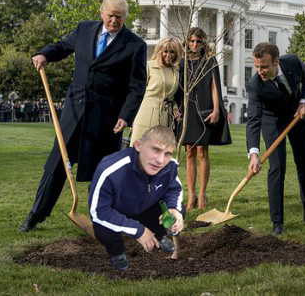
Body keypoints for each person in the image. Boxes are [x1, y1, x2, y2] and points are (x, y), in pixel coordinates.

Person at [19, 0, 147, 233]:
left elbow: (137, 86)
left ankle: (101, 218)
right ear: (102, 13)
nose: (114, 20)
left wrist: (126, 115)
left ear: (125, 17)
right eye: (110, 15)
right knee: (57, 164)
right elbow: (62, 46)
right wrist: (44, 54)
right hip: (74, 111)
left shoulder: (135, 45)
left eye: (120, 16)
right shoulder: (84, 29)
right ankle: (36, 214)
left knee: (102, 170)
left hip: (106, 119)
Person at [246, 42, 305, 235]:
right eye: (257, 66)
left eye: (264, 66)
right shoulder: (255, 85)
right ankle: (277, 222)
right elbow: (254, 120)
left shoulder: (293, 62)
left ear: (276, 61)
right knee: (277, 168)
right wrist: (254, 153)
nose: (260, 71)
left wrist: (304, 102)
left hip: (298, 116)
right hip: (272, 121)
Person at [89, 126, 185, 271]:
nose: (160, 160)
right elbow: (99, 212)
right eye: (155, 150)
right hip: (117, 212)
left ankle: (157, 235)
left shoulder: (170, 166)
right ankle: (117, 252)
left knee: (179, 210)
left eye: (167, 153)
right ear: (138, 146)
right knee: (103, 231)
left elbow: (174, 189)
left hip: (145, 208)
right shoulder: (110, 169)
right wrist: (138, 230)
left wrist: (174, 210)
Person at [175, 27, 231, 210]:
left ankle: (202, 194)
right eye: (191, 41)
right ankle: (191, 195)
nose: (194, 44)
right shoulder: (182, 62)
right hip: (187, 109)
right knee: (189, 151)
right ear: (187, 42)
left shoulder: (209, 61)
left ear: (203, 43)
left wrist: (216, 110)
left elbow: (215, 87)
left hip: (205, 108)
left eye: (198, 41)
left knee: (202, 152)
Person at [129, 37, 182, 145]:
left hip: (165, 117)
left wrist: (175, 107)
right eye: (165, 51)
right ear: (159, 52)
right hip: (145, 113)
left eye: (172, 52)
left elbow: (173, 94)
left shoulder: (178, 70)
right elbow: (136, 92)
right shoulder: (149, 66)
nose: (168, 55)